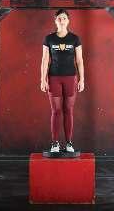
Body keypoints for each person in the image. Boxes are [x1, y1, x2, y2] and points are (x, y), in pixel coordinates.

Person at [40, 9, 85, 153]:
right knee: (56, 111)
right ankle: (55, 143)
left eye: (64, 18)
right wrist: (42, 79)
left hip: (71, 78)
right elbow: (45, 60)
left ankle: (69, 143)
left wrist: (82, 79)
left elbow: (79, 60)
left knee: (68, 110)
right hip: (54, 78)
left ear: (68, 21)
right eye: (59, 18)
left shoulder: (75, 39)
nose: (62, 20)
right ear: (55, 21)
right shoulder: (49, 39)